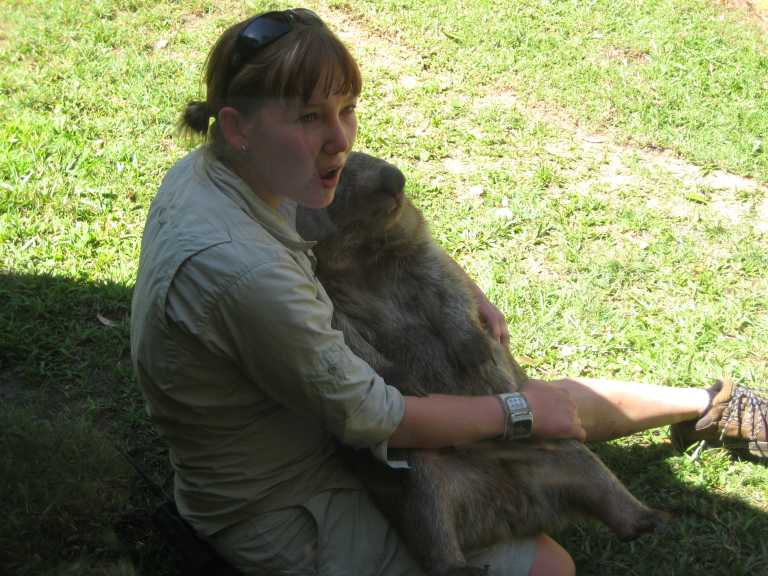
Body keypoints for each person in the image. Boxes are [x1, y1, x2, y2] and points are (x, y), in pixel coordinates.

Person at [130, 8, 768, 576]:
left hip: (315, 421)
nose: (341, 140)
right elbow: (375, 418)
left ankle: (708, 405)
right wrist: (518, 415)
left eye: (346, 110)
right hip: (285, 495)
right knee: (549, 559)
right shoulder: (247, 272)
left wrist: (472, 295)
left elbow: (395, 229)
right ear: (238, 125)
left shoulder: (232, 169)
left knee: (525, 399)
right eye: (309, 117)